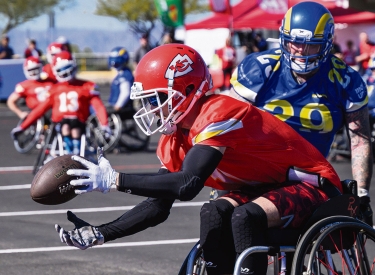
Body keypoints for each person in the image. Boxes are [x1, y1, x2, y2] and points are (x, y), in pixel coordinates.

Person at [54, 44, 342, 275]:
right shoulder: (176, 137)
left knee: (244, 217)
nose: (150, 109)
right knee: (212, 213)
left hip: (312, 185)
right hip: (265, 188)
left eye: (156, 99)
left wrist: (115, 180)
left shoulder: (220, 111)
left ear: (189, 90)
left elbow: (187, 184)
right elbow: (157, 206)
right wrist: (101, 233)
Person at [230, 1, 373, 227]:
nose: (300, 50)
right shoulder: (261, 67)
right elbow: (226, 123)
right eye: (294, 42)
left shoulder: (345, 80)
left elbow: (359, 141)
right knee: (215, 215)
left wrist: (362, 193)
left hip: (307, 177)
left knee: (248, 220)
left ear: (326, 44)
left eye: (310, 44)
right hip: (255, 171)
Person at [11, 51, 110, 155]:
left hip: (79, 121)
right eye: (61, 69)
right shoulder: (55, 89)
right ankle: (70, 151)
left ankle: (74, 152)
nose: (65, 72)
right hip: (61, 123)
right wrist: (23, 126)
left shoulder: (85, 86)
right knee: (66, 127)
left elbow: (98, 107)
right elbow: (39, 110)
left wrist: (104, 124)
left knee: (74, 128)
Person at [107, 46, 134, 114]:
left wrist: (118, 105)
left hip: (122, 109)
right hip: (116, 105)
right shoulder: (120, 73)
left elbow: (125, 93)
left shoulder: (125, 74)